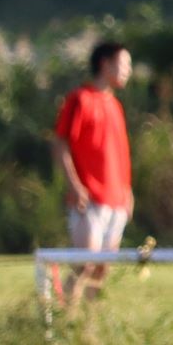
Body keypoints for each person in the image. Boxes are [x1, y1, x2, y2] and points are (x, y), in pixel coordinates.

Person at [52, 42, 134, 303]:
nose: (128, 70)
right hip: (89, 198)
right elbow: (60, 142)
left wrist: (127, 191)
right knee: (84, 264)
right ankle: (64, 315)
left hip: (115, 199)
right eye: (124, 64)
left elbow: (119, 154)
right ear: (105, 64)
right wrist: (74, 184)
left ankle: (88, 323)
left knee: (101, 269)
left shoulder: (115, 105)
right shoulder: (80, 99)